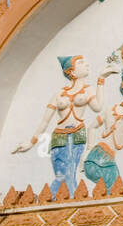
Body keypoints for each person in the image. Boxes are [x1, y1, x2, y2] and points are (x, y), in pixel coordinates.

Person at [12, 55, 111, 194]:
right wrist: (31, 142)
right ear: (72, 72)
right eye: (81, 63)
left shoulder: (88, 90)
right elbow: (45, 121)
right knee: (61, 175)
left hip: (78, 134)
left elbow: (98, 107)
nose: (86, 65)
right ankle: (57, 201)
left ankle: (54, 201)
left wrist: (101, 80)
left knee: (70, 173)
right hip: (59, 137)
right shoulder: (59, 93)